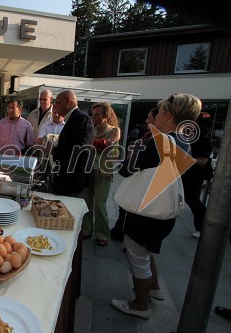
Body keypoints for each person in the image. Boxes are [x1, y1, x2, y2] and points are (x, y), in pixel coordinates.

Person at [110, 93, 201, 320]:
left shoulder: (160, 142)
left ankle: (140, 305)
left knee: (137, 257)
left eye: (159, 112)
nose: (156, 115)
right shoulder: (183, 141)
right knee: (146, 251)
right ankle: (153, 288)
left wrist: (132, 154)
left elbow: (127, 169)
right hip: (164, 212)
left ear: (168, 115)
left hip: (145, 211)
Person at [111, 107, 159, 242]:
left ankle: (125, 235)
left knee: (138, 256)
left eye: (149, 118)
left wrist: (132, 157)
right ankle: (120, 230)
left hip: (142, 189)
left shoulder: (156, 141)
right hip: (137, 185)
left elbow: (129, 167)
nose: (146, 120)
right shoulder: (148, 137)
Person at [82, 102, 121, 246]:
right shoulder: (93, 129)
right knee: (86, 203)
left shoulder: (114, 130)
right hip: (89, 170)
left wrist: (93, 142)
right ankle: (86, 230)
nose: (94, 117)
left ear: (106, 116)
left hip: (103, 172)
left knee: (99, 204)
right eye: (93, 114)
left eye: (97, 114)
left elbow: (109, 143)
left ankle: (102, 234)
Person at [52, 89, 94, 197]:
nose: (55, 106)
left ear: (69, 101)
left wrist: (53, 150)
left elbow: (79, 149)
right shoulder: (73, 118)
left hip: (72, 181)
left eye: (58, 102)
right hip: (66, 179)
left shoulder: (81, 118)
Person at [182, 112, 213, 239]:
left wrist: (185, 158)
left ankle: (202, 227)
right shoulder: (191, 138)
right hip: (188, 172)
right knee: (189, 198)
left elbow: (203, 161)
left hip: (195, 174)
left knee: (192, 199)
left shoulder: (203, 140)